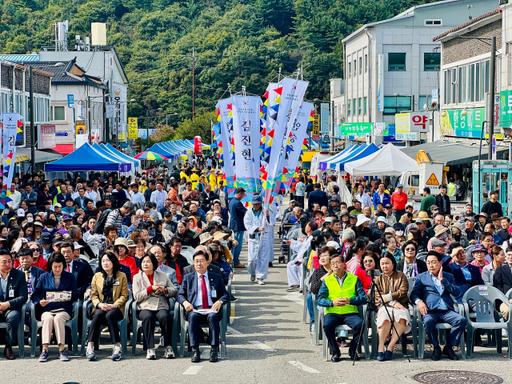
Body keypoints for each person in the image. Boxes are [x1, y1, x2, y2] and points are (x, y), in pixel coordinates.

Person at [411, 251, 466, 361]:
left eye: (433, 262)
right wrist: (419, 302)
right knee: (428, 321)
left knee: (461, 320)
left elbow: (456, 292)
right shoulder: (422, 277)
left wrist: (444, 281)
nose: (431, 265)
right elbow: (414, 294)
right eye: (428, 263)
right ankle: (436, 347)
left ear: (440, 263)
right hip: (430, 311)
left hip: (446, 310)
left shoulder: (448, 276)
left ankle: (449, 347)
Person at [177, 251, 230, 363]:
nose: (199, 264)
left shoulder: (215, 277)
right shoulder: (188, 277)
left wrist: (220, 301)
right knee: (193, 317)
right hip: (195, 308)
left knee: (213, 316)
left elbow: (225, 294)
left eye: (201, 261)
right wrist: (185, 302)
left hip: (211, 308)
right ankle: (195, 350)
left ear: (207, 262)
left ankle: (214, 350)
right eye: (196, 261)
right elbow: (180, 294)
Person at [317, 252, 365, 362]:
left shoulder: (354, 279)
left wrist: (350, 300)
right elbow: (320, 299)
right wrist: (332, 303)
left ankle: (352, 350)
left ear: (344, 264)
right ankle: (335, 351)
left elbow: (363, 298)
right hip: (333, 312)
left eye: (338, 263)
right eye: (332, 264)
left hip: (350, 312)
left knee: (360, 324)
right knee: (327, 325)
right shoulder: (327, 280)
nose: (335, 266)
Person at [32, 252, 79, 362]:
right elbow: (35, 295)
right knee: (48, 318)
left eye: (60, 266)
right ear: (51, 266)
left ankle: (61, 349)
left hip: (63, 308)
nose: (58, 269)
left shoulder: (70, 277)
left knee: (58, 318)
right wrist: (40, 302)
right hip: (48, 308)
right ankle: (45, 350)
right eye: (55, 267)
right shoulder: (44, 277)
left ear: (64, 265)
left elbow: (76, 294)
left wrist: (67, 295)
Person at [133, 253, 178, 360]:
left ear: (153, 263)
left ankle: (168, 347)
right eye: (143, 262)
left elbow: (174, 290)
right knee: (148, 317)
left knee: (165, 317)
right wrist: (149, 289)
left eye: (148, 262)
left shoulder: (162, 275)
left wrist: (165, 290)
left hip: (160, 304)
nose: (145, 264)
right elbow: (136, 296)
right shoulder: (137, 277)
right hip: (145, 305)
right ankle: (150, 348)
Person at [86, 252, 128, 361]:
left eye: (108, 260)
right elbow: (94, 295)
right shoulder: (97, 276)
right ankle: (90, 346)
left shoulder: (121, 276)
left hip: (115, 307)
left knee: (110, 315)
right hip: (101, 306)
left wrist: (114, 305)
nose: (105, 263)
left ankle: (117, 347)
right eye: (103, 260)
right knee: (98, 314)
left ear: (113, 262)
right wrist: (99, 304)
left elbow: (124, 295)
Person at [374, 253, 410, 361]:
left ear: (393, 264)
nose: (385, 266)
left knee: (402, 315)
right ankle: (380, 347)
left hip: (401, 305)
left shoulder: (401, 276)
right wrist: (392, 303)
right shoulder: (378, 279)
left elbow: (402, 292)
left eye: (387, 263)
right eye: (382, 264)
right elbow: (377, 296)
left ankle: (390, 346)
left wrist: (388, 297)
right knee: (385, 315)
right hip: (384, 306)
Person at [0, 250, 28, 360]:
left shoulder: (19, 275)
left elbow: (23, 296)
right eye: (3, 262)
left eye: (9, 261)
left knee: (14, 317)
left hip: (11, 307)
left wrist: (7, 304)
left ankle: (8, 346)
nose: (7, 264)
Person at [244, 194, 276, 285]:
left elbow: (272, 223)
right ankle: (252, 272)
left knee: (263, 258)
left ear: (261, 203)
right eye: (254, 204)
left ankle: (260, 277)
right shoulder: (249, 212)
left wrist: (268, 216)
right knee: (252, 259)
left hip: (264, 237)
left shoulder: (266, 211)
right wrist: (257, 228)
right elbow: (247, 224)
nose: (255, 206)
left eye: (257, 204)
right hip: (254, 237)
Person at [228, 187, 247, 268]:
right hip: (238, 226)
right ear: (239, 194)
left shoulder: (231, 201)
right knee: (237, 245)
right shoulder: (237, 203)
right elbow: (246, 212)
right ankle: (236, 261)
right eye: (243, 195)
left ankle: (234, 260)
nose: (243, 196)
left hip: (233, 224)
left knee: (234, 244)